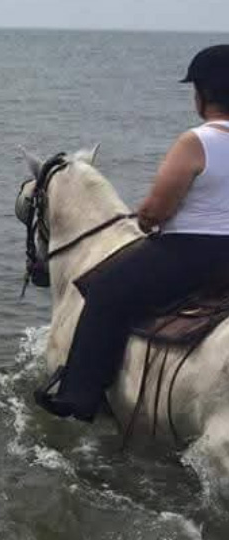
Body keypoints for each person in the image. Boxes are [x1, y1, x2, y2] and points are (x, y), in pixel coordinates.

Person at [35, 44, 229, 422]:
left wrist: (145, 219)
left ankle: (77, 396)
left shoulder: (197, 141)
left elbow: (157, 209)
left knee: (105, 291)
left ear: (202, 94)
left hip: (191, 256)